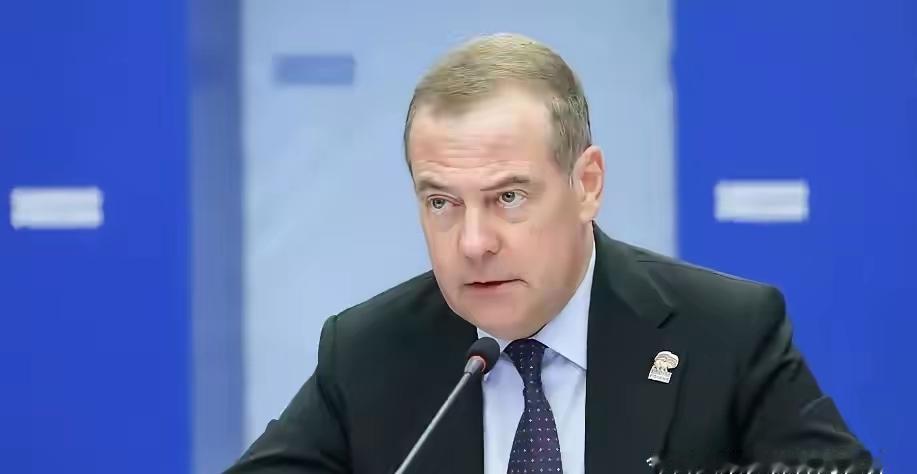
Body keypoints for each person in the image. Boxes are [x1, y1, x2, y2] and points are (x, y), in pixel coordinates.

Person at [226, 33, 872, 473]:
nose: (473, 243)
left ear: (586, 184)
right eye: (441, 202)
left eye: (508, 197)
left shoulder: (724, 332)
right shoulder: (368, 352)